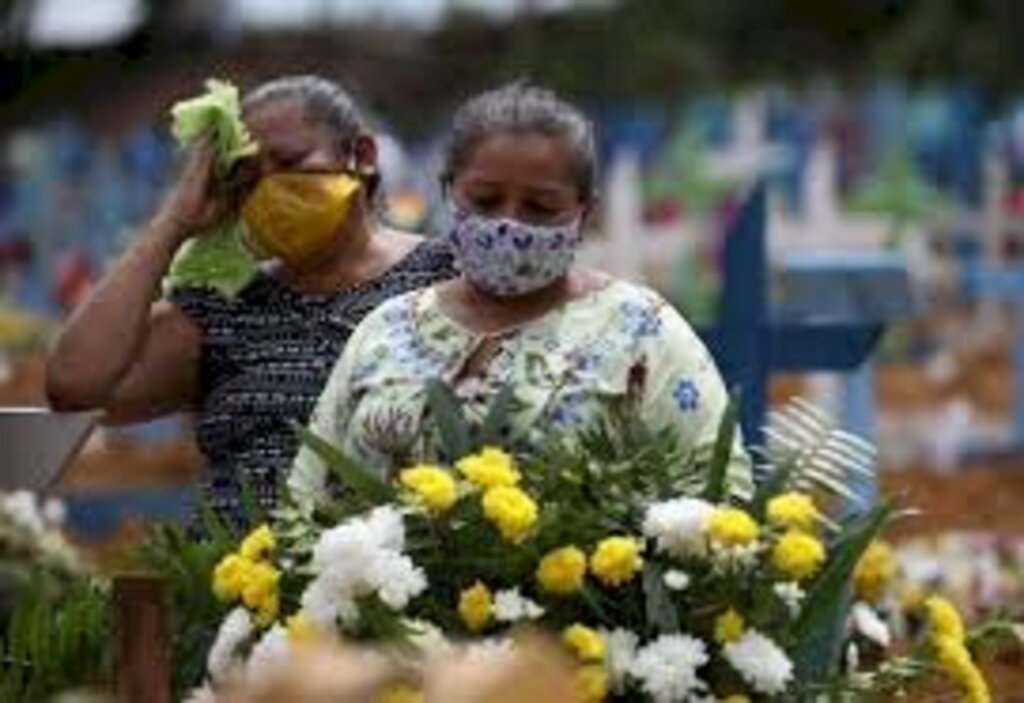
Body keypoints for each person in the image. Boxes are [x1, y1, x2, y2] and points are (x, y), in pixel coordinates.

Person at [289, 83, 751, 510]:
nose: (509, 224)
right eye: (486, 201)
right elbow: (307, 497)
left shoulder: (641, 330)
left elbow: (719, 499)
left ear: (584, 212)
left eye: (541, 207)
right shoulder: (386, 330)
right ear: (450, 192)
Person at [45, 75, 455, 520]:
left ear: (361, 156)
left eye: (288, 161)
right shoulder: (224, 307)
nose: (268, 187)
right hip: (237, 579)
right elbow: (74, 387)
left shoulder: (443, 278)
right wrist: (174, 221)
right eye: (246, 176)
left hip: (394, 579)